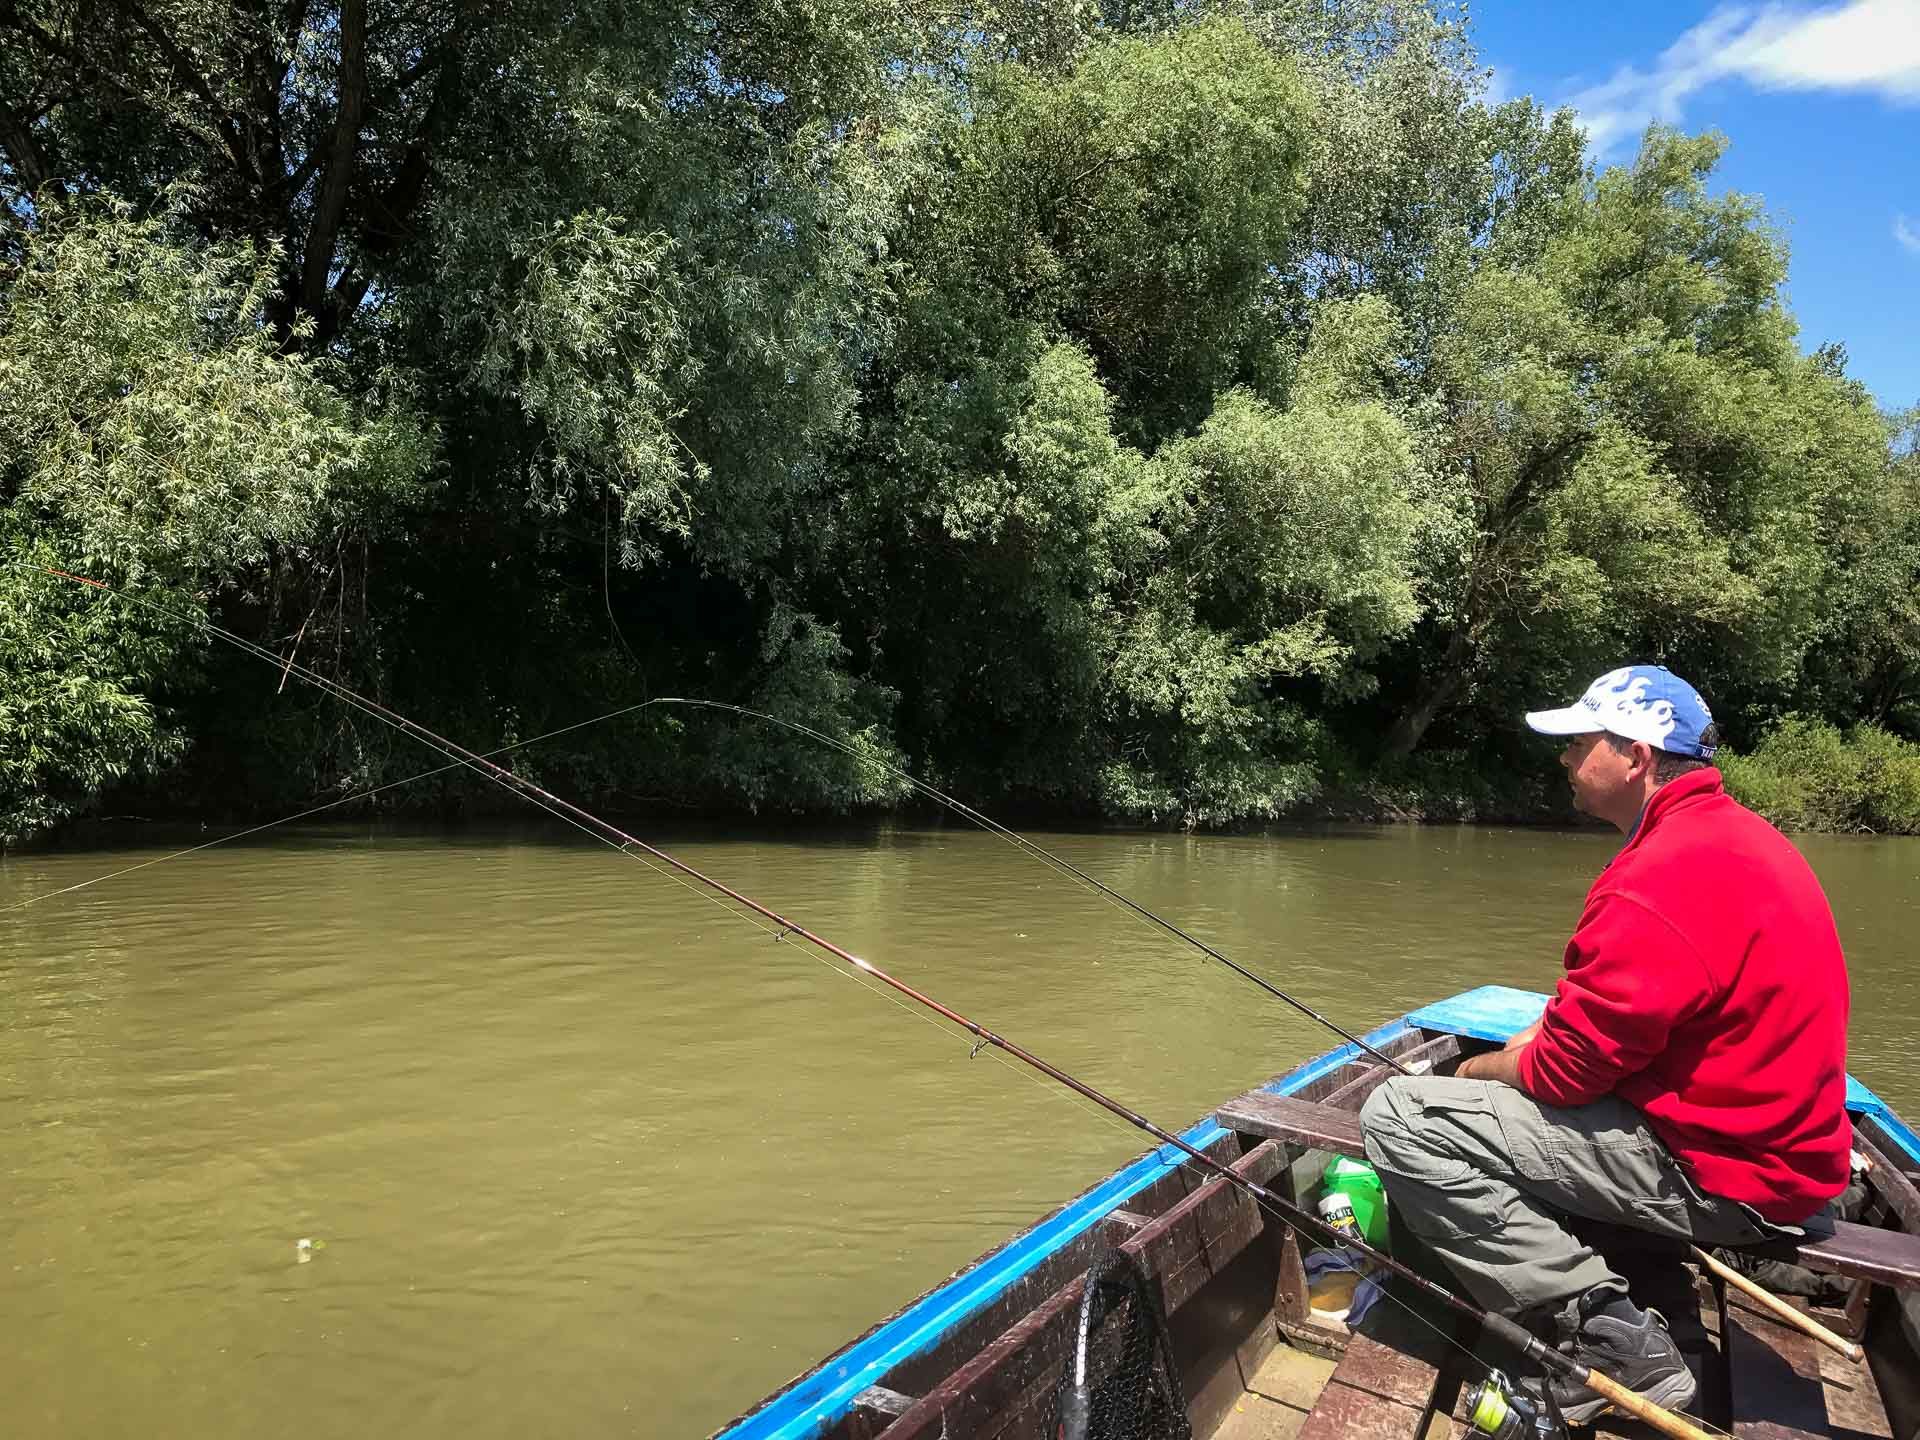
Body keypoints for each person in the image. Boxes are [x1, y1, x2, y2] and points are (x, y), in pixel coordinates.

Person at [1360, 665, 1852, 1423]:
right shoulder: (1735, 839)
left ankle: (1615, 1343)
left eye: (1579, 742)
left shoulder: (1658, 875)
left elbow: (1562, 1074)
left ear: (1638, 756)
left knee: (1401, 1114)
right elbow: (1607, 1024)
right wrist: (1536, 1046)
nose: (1564, 758)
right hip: (1781, 1158)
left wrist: (1476, 1069)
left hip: (1730, 1177)